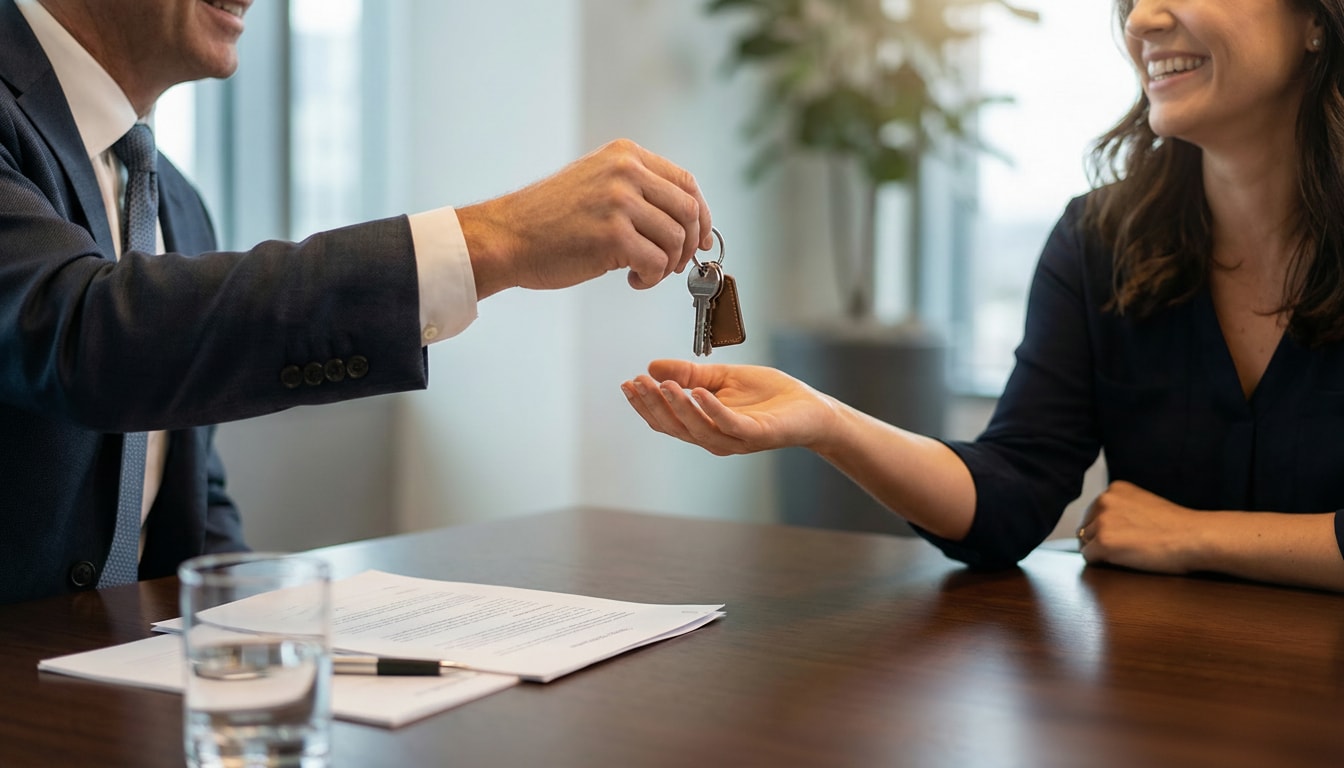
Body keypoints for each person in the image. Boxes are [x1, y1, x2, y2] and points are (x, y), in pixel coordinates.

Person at [0, 0, 714, 605]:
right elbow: (82, 334)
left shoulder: (173, 203)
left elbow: (192, 510)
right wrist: (494, 240)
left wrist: (279, 644)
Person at [623, 0, 1344, 593]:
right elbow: (1010, 495)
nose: (1142, 20)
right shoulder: (1097, 241)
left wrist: (1195, 536)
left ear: (1318, 18)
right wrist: (827, 422)